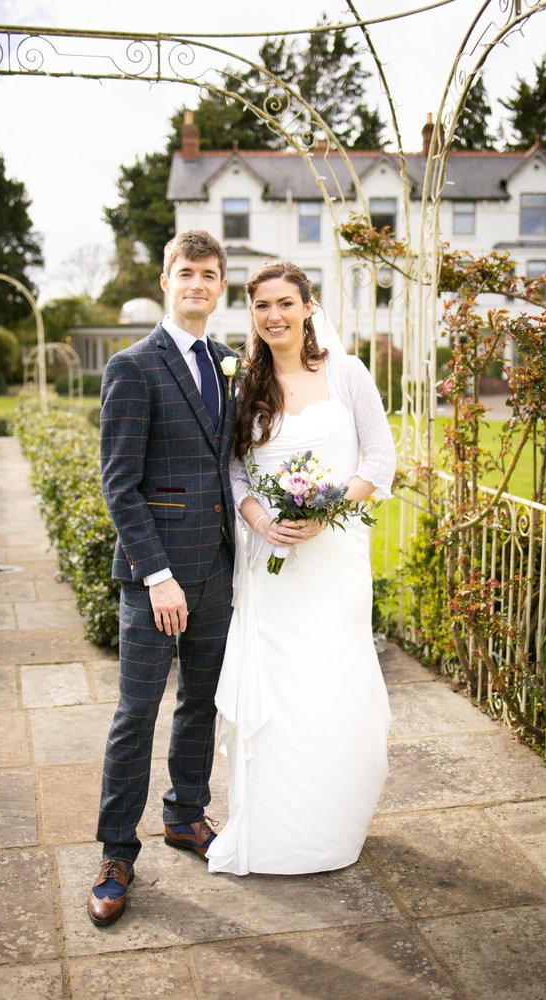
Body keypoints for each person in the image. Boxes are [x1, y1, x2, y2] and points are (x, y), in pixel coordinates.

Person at [206, 260, 396, 876]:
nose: (275, 316)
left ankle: (332, 821)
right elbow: (235, 472)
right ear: (251, 313)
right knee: (279, 687)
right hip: (270, 561)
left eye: (286, 303)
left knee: (333, 678)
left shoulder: (348, 373)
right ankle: (275, 828)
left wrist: (325, 511)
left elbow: (380, 459)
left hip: (335, 558)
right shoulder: (245, 386)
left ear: (308, 306)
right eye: (262, 306)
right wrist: (263, 522)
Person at [88, 230, 238, 926]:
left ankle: (185, 815)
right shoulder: (133, 366)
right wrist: (157, 575)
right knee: (136, 714)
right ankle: (116, 852)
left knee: (200, 704)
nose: (197, 284)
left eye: (208, 274)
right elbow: (119, 485)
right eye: (186, 273)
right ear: (166, 281)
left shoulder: (226, 362)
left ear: (221, 285)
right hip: (156, 580)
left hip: (216, 570)